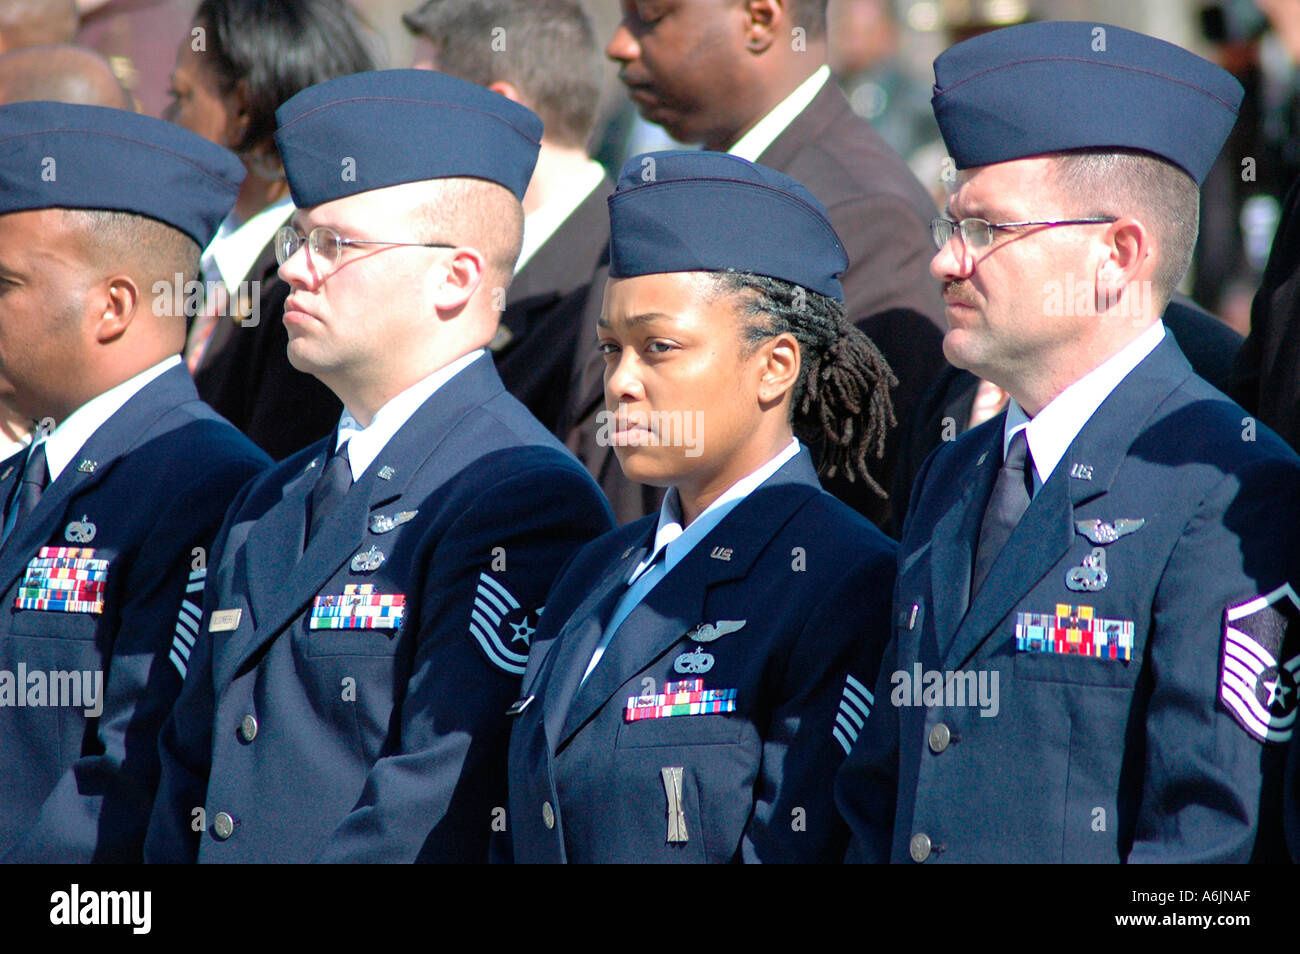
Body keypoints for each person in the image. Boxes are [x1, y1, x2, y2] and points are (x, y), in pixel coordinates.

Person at [835, 20, 1300, 863]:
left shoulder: (1227, 484)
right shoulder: (958, 470)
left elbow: (1211, 851)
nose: (945, 263)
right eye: (951, 227)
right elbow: (883, 793)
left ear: (1117, 256)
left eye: (986, 231)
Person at [146, 69, 614, 864]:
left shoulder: (519, 495)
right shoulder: (269, 497)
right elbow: (190, 766)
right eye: (297, 240)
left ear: (455, 277)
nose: (295, 268)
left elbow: (435, 805)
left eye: (334, 244)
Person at [506, 150, 898, 863]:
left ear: (774, 366)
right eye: (610, 349)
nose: (621, 382)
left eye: (659, 347)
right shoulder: (595, 570)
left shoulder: (844, 581)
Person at [0, 101, 269, 861]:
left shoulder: (206, 483)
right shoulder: (28, 472)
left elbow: (131, 774)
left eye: (3, 283)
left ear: (112, 307)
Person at [568, 0, 946, 530]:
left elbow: (858, 491)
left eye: (651, 17)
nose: (620, 45)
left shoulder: (863, 212)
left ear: (760, 18)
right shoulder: (674, 193)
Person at [168, 0, 374, 461]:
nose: (169, 119)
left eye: (182, 98)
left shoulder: (306, 285)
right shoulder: (203, 259)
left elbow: (272, 476)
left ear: (243, 107)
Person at [404, 0, 610, 433]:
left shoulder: (611, 281)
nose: (404, 125)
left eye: (421, 101)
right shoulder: (428, 256)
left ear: (497, 112)